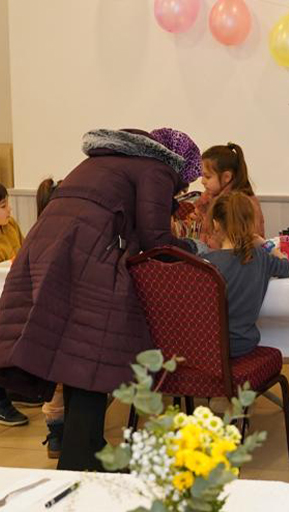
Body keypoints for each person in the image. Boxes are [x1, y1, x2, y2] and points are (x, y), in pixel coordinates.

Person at [0, 127, 201, 471]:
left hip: (50, 249)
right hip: (85, 259)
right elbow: (156, 239)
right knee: (91, 359)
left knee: (76, 360)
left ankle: (91, 450)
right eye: (183, 185)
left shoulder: (107, 159)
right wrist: (192, 249)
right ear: (179, 166)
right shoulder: (157, 168)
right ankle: (75, 468)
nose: (180, 191)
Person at [204, 193, 289, 358]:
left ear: (216, 224)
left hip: (208, 348)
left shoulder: (205, 263)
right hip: (244, 346)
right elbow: (288, 267)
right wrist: (265, 244)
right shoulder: (261, 256)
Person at [35, 177, 65, 458]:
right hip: (58, 321)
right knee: (61, 383)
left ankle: (55, 432)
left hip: (44, 324)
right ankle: (59, 433)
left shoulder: (37, 235)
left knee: (54, 384)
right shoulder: (60, 238)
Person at [189, 143, 265, 249]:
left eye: (207, 176)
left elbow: (243, 247)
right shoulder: (207, 200)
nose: (202, 182)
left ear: (226, 177)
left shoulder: (242, 205)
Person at [0, 183, 28, 428]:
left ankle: (16, 387)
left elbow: (23, 251)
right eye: (2, 206)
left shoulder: (11, 226)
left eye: (7, 203)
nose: (9, 210)